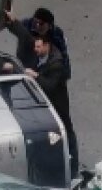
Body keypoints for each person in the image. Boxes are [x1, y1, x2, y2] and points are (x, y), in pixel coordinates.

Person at [28, 35, 80, 177]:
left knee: (66, 134)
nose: (36, 49)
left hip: (59, 106)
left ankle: (73, 167)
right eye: (35, 46)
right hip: (47, 105)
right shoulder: (39, 57)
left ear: (46, 46)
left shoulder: (56, 64)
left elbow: (50, 86)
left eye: (38, 47)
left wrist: (35, 76)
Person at [4, 7, 70, 78]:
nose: (37, 26)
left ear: (50, 26)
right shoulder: (27, 24)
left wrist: (65, 74)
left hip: (43, 67)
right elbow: (17, 29)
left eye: (41, 24)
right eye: (35, 22)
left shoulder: (56, 34)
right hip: (25, 59)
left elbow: (63, 54)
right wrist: (10, 21)